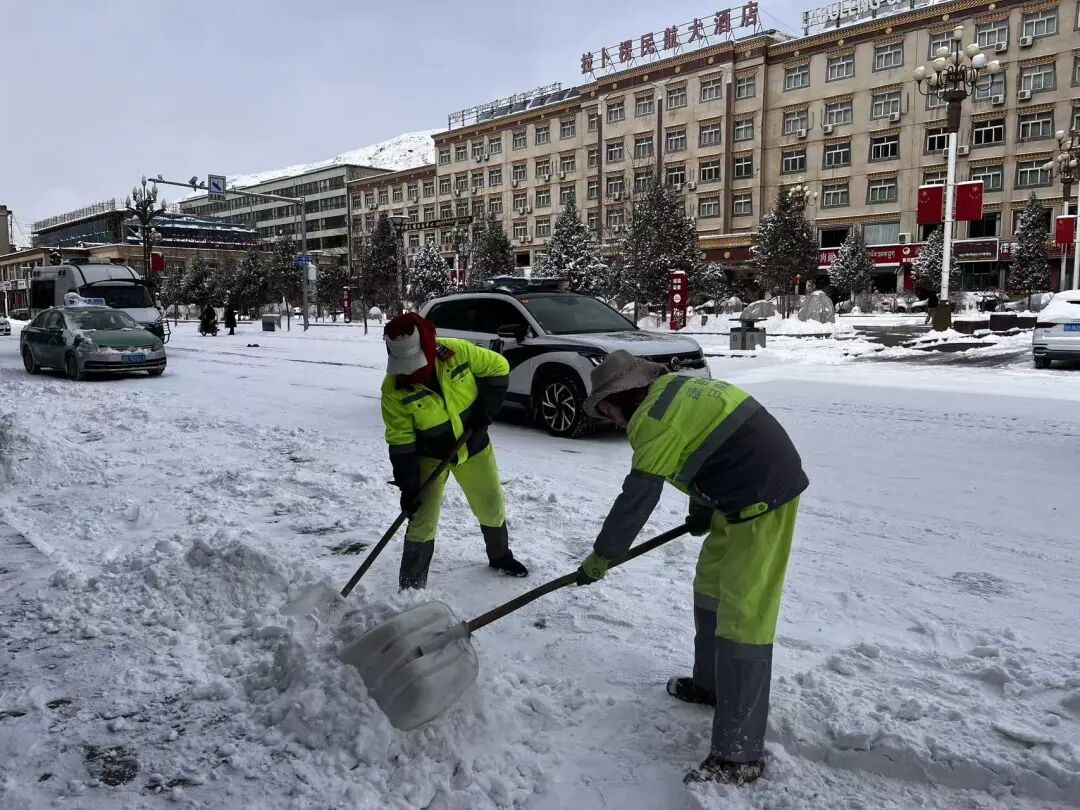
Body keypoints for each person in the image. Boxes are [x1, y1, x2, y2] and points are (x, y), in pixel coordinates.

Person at [574, 350, 808, 786]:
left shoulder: (651, 421)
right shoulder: (672, 390)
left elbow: (636, 500)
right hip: (731, 494)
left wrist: (602, 556)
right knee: (710, 585)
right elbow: (704, 443)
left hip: (763, 495)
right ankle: (710, 685)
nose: (611, 420)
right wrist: (701, 506)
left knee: (744, 614)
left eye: (607, 410)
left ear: (623, 396)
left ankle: (739, 756)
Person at [381, 312, 528, 589]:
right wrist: (409, 488)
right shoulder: (393, 389)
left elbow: (499, 367)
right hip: (429, 455)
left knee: (491, 504)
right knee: (422, 518)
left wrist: (485, 411)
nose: (410, 372)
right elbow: (400, 441)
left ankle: (500, 556)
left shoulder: (456, 353)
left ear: (427, 344)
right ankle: (411, 586)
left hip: (473, 446)